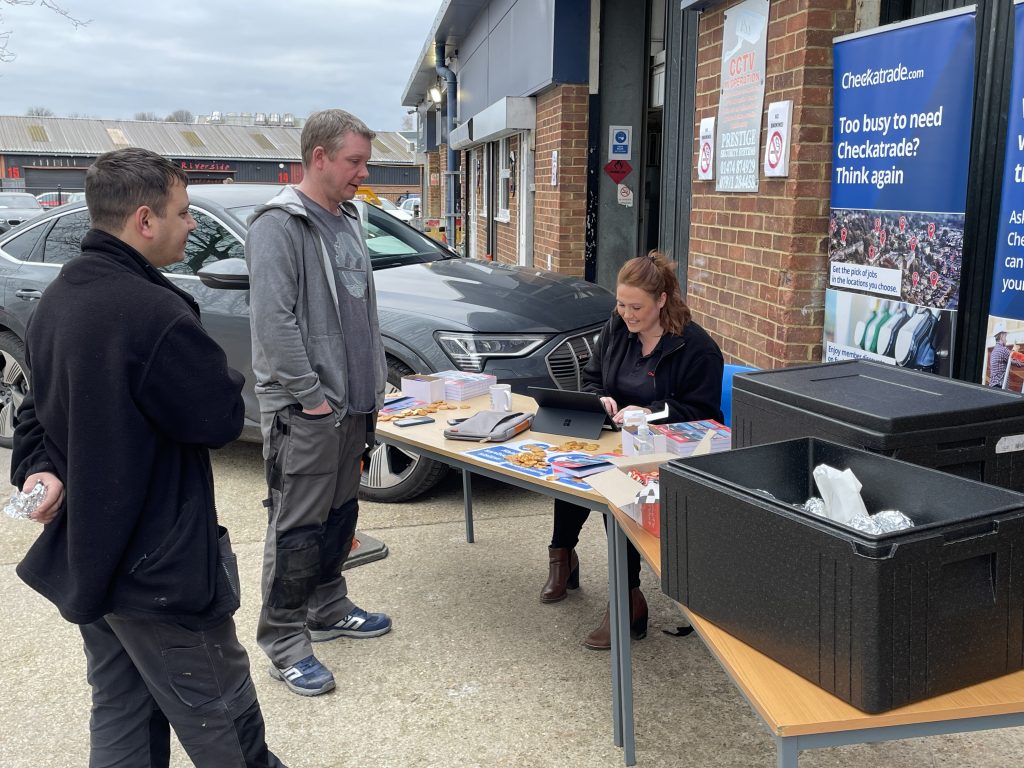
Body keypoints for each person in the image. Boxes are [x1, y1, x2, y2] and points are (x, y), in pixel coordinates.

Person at [10, 147, 283, 766]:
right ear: (144, 220)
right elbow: (215, 419)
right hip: (158, 569)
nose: (191, 225)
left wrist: (37, 468)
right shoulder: (153, 312)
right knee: (226, 721)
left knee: (122, 712)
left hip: (95, 560)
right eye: (183, 213)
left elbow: (35, 409)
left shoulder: (57, 300)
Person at [246, 108, 390, 697]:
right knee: (296, 530)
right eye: (354, 162)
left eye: (365, 162)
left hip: (353, 408)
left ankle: (328, 608)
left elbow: (360, 316)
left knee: (339, 518)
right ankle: (283, 641)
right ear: (319, 157)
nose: (362, 173)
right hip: (308, 413)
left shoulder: (348, 219)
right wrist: (311, 402)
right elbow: (275, 324)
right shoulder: (279, 226)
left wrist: (370, 394)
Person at [540, 250, 724, 650]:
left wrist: (652, 412)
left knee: (617, 492)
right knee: (575, 467)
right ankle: (562, 557)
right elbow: (591, 378)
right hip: (618, 439)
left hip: (668, 456)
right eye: (621, 305)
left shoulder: (696, 348)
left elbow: (705, 414)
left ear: (662, 300)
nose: (626, 314)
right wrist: (600, 399)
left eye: (636, 307)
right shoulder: (616, 328)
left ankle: (628, 598)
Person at [988, 324, 1022, 388]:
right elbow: (1017, 363)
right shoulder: (1003, 350)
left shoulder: (994, 351)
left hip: (993, 386)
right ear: (1001, 336)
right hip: (999, 386)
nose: (1006, 340)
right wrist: (1015, 351)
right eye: (1005, 337)